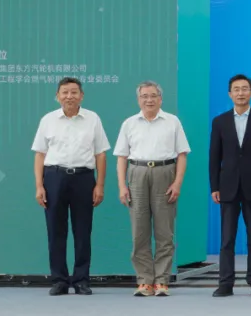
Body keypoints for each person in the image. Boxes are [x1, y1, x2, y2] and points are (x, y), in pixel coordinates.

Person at [31, 77, 110, 296]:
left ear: (81, 96)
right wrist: (39, 185)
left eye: (74, 92)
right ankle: (59, 280)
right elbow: (40, 154)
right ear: (57, 96)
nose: (69, 96)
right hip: (54, 177)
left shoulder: (93, 119)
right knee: (55, 231)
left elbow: (101, 154)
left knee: (83, 231)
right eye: (65, 92)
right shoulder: (48, 120)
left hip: (83, 178)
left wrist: (100, 185)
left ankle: (81, 280)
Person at [114, 80, 191, 297]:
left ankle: (161, 281)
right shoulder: (129, 123)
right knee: (139, 231)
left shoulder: (172, 122)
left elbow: (182, 154)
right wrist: (122, 186)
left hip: (165, 173)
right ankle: (144, 281)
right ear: (138, 99)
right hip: (137, 173)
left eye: (153, 96)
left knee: (164, 231)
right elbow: (121, 157)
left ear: (160, 99)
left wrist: (177, 183)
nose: (149, 100)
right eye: (144, 96)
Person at [209, 74, 251, 297]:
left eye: (245, 88)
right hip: (227, 187)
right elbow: (214, 157)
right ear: (230, 94)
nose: (240, 93)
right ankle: (225, 283)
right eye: (236, 89)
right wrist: (214, 187)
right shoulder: (219, 122)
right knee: (227, 239)